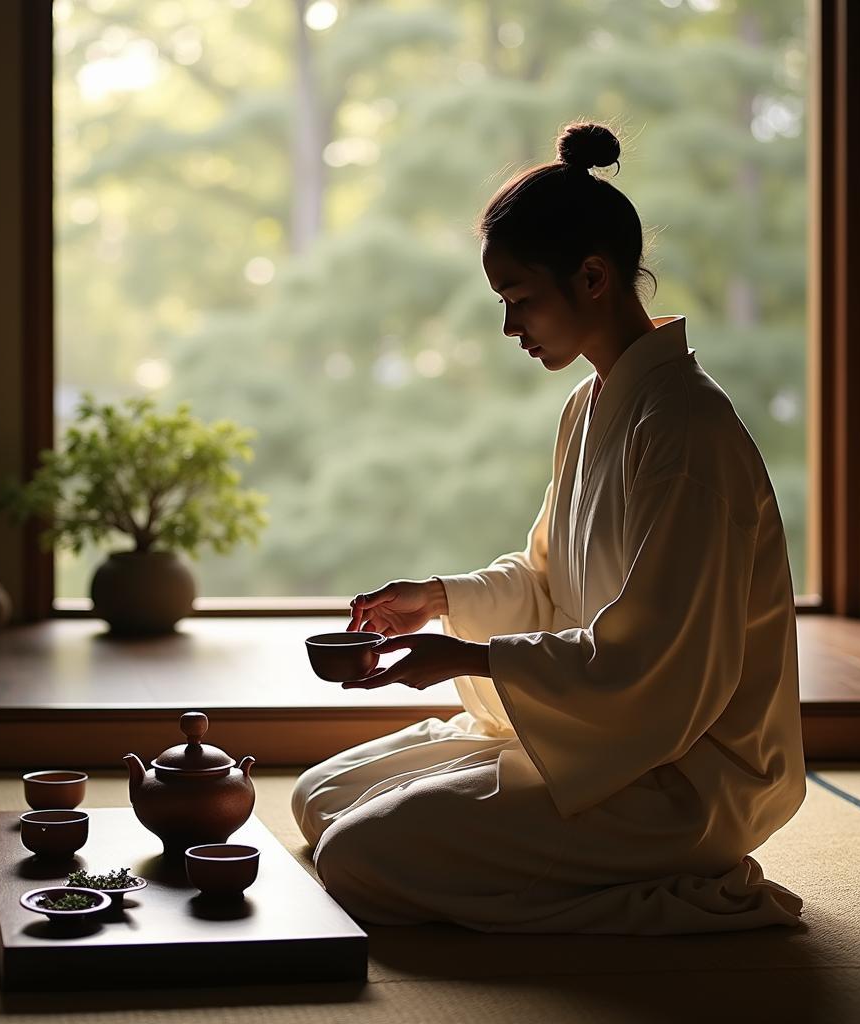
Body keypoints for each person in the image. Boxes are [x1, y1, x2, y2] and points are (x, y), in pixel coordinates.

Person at [290, 122, 807, 934]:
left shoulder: (687, 432)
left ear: (593, 277)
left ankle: (690, 892)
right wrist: (440, 599)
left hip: (680, 771)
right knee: (317, 800)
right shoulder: (591, 406)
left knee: (358, 857)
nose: (509, 328)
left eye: (519, 299)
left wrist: (467, 657)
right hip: (597, 735)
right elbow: (544, 581)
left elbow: (658, 666)